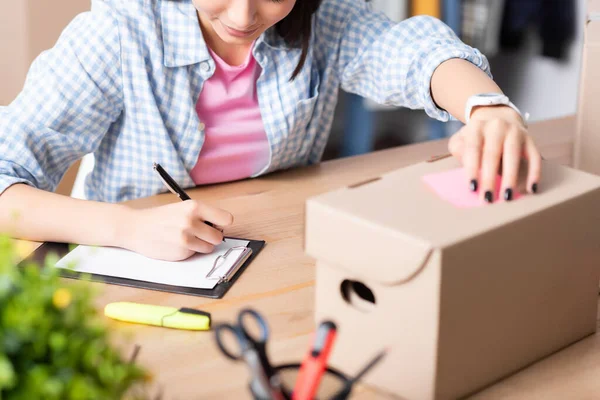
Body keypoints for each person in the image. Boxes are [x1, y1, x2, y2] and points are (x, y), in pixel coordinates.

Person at [0, 0, 541, 261]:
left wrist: (487, 107)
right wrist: (128, 228)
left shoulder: (323, 19)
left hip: (271, 254)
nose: (243, 14)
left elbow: (413, 53)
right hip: (128, 270)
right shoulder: (116, 34)